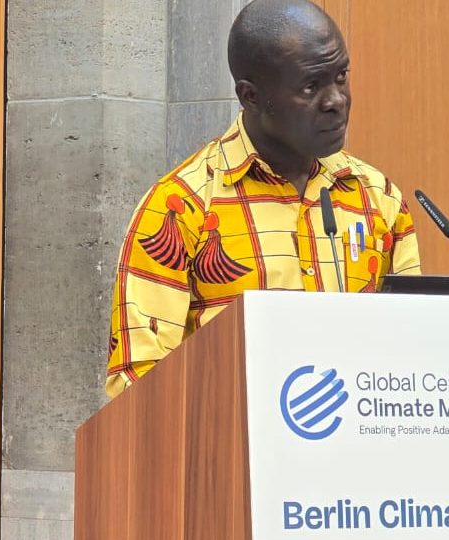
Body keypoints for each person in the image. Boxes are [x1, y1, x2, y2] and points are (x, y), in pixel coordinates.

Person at [106, 0, 421, 400]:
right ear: (250, 96)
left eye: (341, 76)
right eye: (311, 87)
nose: (336, 100)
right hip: (228, 435)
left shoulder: (379, 199)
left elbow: (412, 351)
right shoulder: (180, 208)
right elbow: (136, 385)